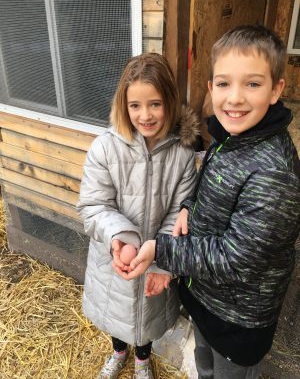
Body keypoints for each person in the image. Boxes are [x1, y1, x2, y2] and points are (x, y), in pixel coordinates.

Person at [115, 25, 300, 379]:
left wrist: (161, 251)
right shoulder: (230, 137)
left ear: (276, 89)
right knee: (204, 367)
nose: (234, 99)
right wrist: (187, 205)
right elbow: (207, 181)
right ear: (211, 87)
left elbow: (235, 259)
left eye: (253, 84)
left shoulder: (274, 172)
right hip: (207, 303)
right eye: (224, 83)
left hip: (238, 321)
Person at [77, 53, 199, 379]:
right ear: (124, 105)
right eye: (135, 106)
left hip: (158, 256)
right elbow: (93, 206)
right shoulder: (105, 148)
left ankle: (142, 360)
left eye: (155, 104)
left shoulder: (183, 153)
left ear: (170, 101)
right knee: (116, 314)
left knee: (146, 319)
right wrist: (120, 237)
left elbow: (180, 210)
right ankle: (118, 352)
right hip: (115, 257)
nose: (145, 115)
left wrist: (161, 261)